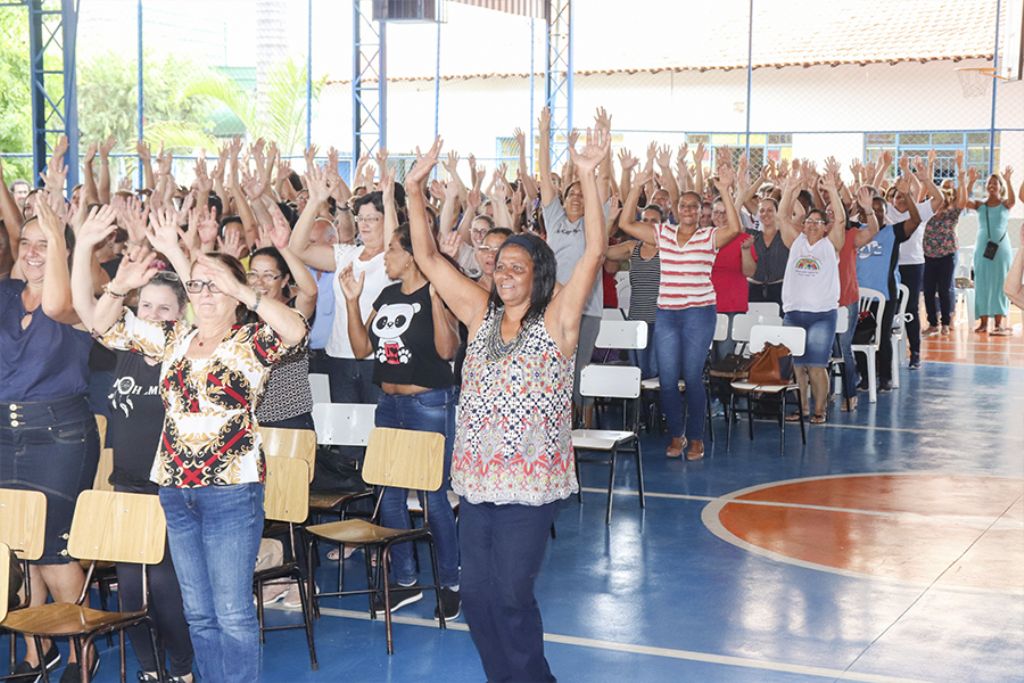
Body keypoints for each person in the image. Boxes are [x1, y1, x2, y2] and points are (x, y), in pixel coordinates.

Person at [406, 126, 608, 682]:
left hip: (530, 484)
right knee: (475, 595)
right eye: (500, 266)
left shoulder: (559, 320)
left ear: (539, 275)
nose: (505, 274)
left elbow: (593, 249)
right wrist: (413, 192)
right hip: (477, 481)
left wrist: (588, 176)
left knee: (512, 595)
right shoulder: (479, 313)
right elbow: (426, 257)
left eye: (518, 267)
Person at [82, 231, 307, 683]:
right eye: (198, 285)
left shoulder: (251, 340)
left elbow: (296, 329)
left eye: (216, 285)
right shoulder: (173, 338)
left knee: (232, 611)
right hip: (175, 489)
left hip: (231, 492)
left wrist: (242, 287)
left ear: (237, 294)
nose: (205, 294)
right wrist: (118, 286)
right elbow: (102, 326)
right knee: (199, 614)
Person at [70, 209, 195, 683]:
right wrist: (86, 250)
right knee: (130, 593)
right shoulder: (128, 342)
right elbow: (89, 312)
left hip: (168, 486)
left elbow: (204, 310)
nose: (154, 317)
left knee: (164, 587)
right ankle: (149, 670)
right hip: (127, 484)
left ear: (179, 316)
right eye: (147, 308)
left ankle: (181, 669)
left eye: (165, 309)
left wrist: (179, 255)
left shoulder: (185, 349)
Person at [339, 223, 462, 621]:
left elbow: (446, 352)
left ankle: (450, 582)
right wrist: (352, 302)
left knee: (432, 496)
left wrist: (438, 299)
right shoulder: (387, 295)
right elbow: (361, 349)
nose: (384, 256)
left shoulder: (437, 290)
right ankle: (405, 579)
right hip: (388, 404)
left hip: (427, 402)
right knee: (388, 494)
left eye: (391, 249)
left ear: (411, 254)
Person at [0, 195, 100, 682]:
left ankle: (81, 649)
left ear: (63, 250)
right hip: (4, 434)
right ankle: (35, 649)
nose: (33, 252)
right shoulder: (3, 294)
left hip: (61, 436)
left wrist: (63, 238)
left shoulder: (79, 302)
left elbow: (59, 301)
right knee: (19, 547)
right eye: (26, 242)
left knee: (53, 549)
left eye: (46, 244)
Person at [619, 155, 742, 460]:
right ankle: (677, 435)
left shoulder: (708, 237)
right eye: (683, 205)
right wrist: (636, 185)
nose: (688, 210)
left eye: (693, 206)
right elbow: (624, 223)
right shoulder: (662, 234)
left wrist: (725, 190)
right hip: (667, 314)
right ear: (675, 210)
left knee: (692, 373)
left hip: (699, 313)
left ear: (701, 211)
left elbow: (736, 229)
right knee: (669, 379)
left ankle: (697, 437)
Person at [776, 160, 846, 423]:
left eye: (819, 221)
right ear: (804, 224)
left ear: (825, 226)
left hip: (821, 315)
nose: (813, 224)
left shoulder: (831, 246)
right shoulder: (796, 242)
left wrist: (832, 190)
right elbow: (782, 217)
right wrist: (789, 190)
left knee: (816, 366)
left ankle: (819, 410)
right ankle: (802, 408)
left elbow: (840, 218)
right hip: (794, 314)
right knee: (798, 365)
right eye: (809, 220)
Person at [961, 166, 1015, 335]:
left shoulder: (1005, 204)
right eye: (989, 183)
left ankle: (999, 323)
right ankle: (983, 322)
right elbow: (962, 202)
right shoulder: (980, 205)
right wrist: (969, 182)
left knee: (1000, 283)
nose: (991, 185)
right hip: (983, 247)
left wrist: (1008, 180)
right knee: (982, 282)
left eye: (995, 183)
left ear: (1000, 187)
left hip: (1001, 248)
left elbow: (1013, 200)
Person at [746, 196, 789, 305]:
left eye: (770, 210)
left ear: (777, 212)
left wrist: (787, 189)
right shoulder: (752, 235)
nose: (766, 214)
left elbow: (800, 214)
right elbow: (734, 225)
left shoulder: (785, 236)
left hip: (779, 291)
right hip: (753, 291)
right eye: (762, 211)